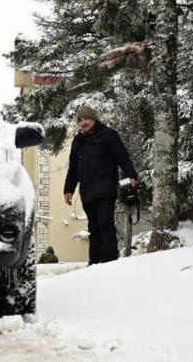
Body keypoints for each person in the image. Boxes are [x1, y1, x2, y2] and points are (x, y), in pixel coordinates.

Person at [63, 105, 138, 265]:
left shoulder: (108, 135)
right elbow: (73, 168)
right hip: (87, 192)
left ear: (94, 119)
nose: (84, 122)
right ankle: (94, 261)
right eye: (80, 120)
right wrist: (68, 189)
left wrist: (131, 174)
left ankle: (109, 260)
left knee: (105, 224)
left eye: (87, 119)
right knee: (94, 228)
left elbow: (122, 156)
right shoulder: (77, 142)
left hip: (105, 188)